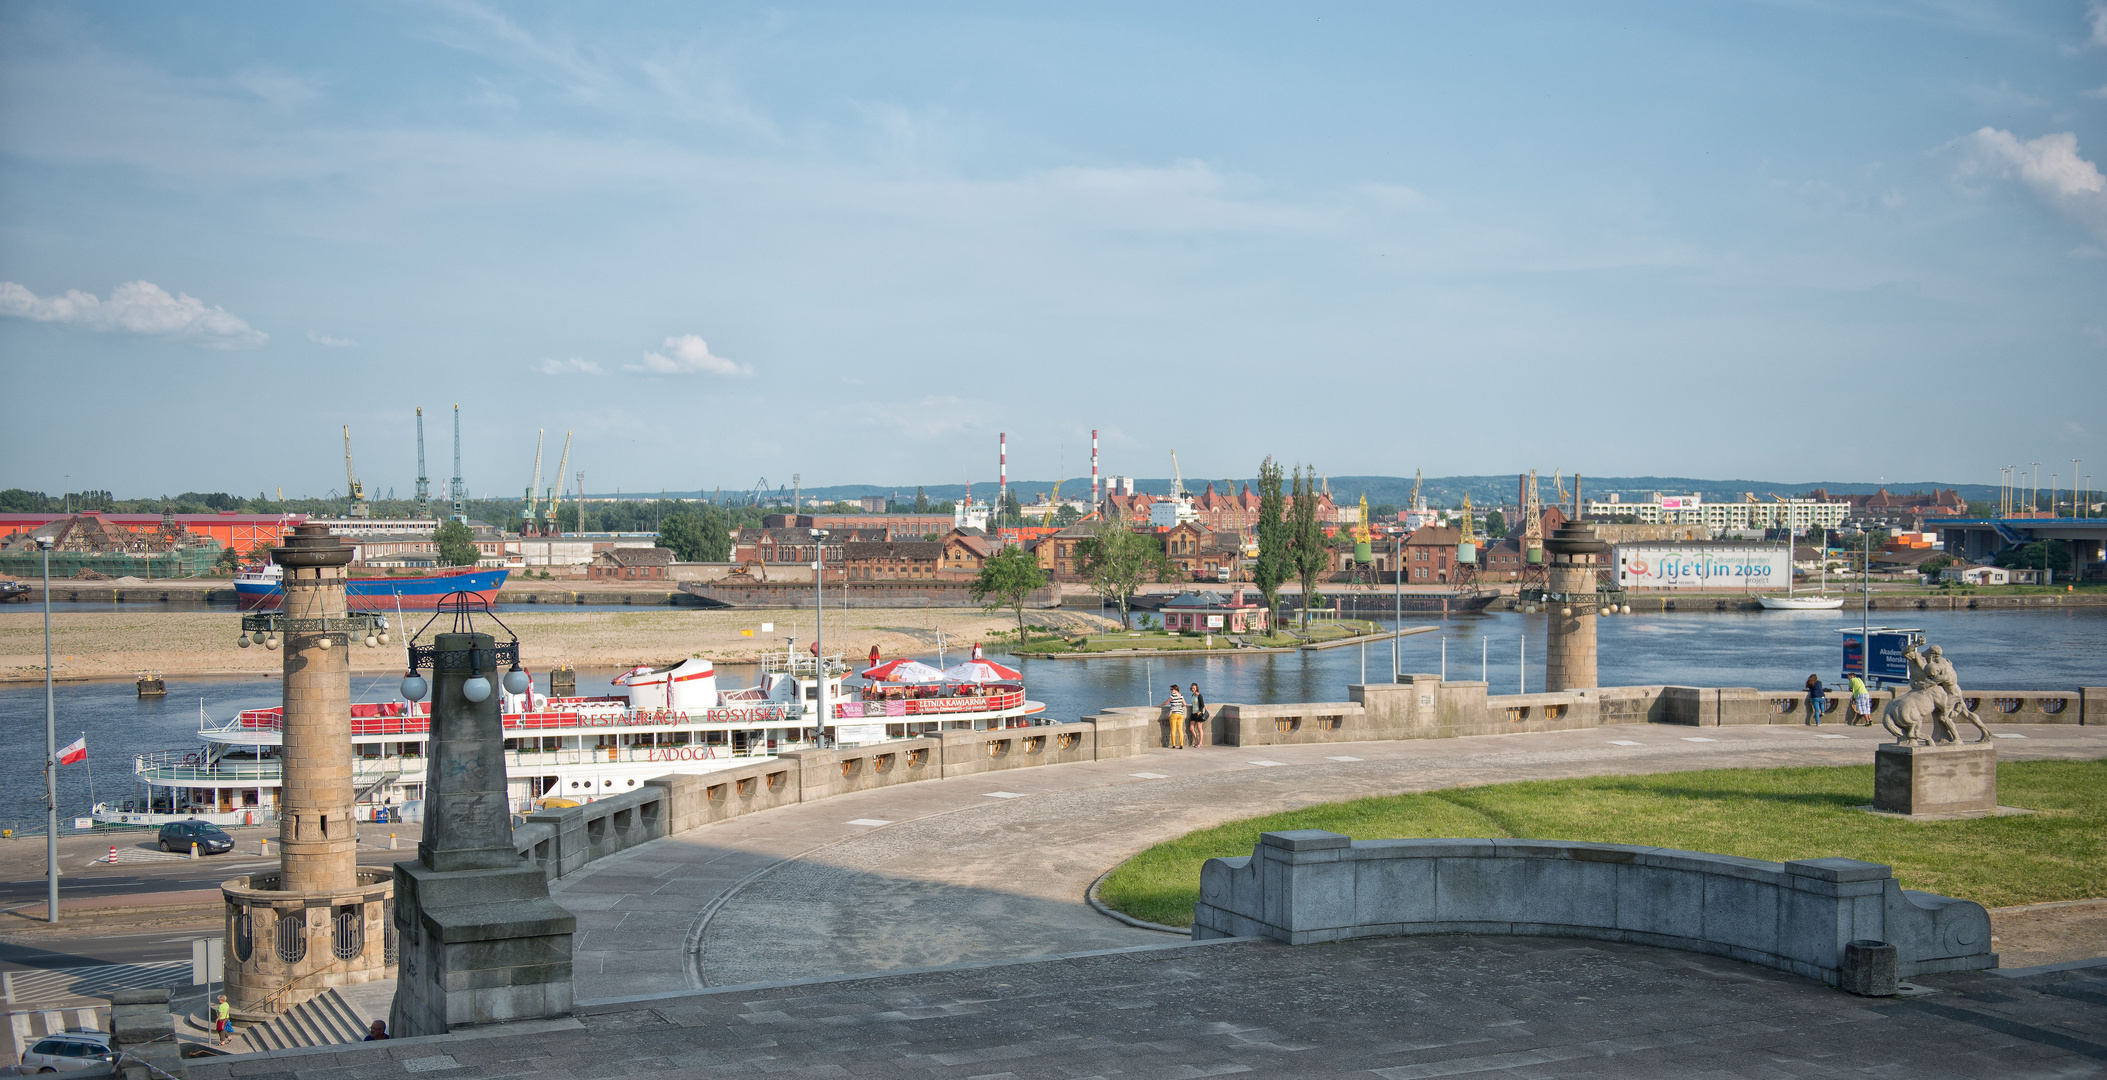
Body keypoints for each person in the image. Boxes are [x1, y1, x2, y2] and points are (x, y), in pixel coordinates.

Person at [1162, 683, 1187, 749]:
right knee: (1180, 730)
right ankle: (1181, 744)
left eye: (1172, 689)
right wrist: (1180, 707)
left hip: (1174, 714)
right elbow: (1184, 704)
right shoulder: (1181, 696)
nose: (1171, 690)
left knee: (1173, 729)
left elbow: (1166, 702)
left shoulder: (1172, 696)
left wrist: (1159, 705)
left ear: (1176, 690)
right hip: (1180, 714)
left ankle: (1173, 744)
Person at [1187, 682, 1208, 748]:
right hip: (1193, 713)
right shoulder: (1193, 695)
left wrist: (1199, 712)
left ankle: (1200, 743)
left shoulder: (1199, 696)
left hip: (1198, 714)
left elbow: (1202, 705)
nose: (1193, 689)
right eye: (1192, 688)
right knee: (1191, 728)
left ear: (1196, 688)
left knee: (1199, 728)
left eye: (1194, 688)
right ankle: (1196, 741)